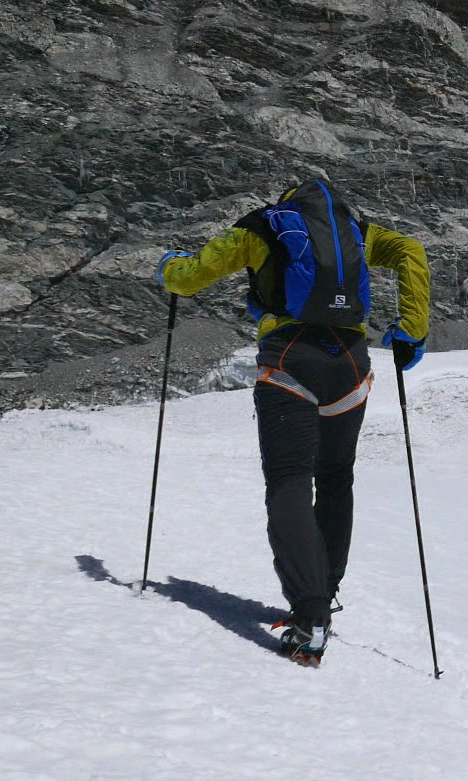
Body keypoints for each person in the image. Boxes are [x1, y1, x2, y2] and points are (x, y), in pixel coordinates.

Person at [158, 180, 429, 666]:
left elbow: (187, 279)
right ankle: (325, 593)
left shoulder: (263, 228)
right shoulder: (356, 232)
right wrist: (413, 329)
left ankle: (310, 617)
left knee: (289, 481)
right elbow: (410, 250)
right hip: (350, 362)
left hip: (290, 359)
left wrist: (170, 267)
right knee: (335, 477)